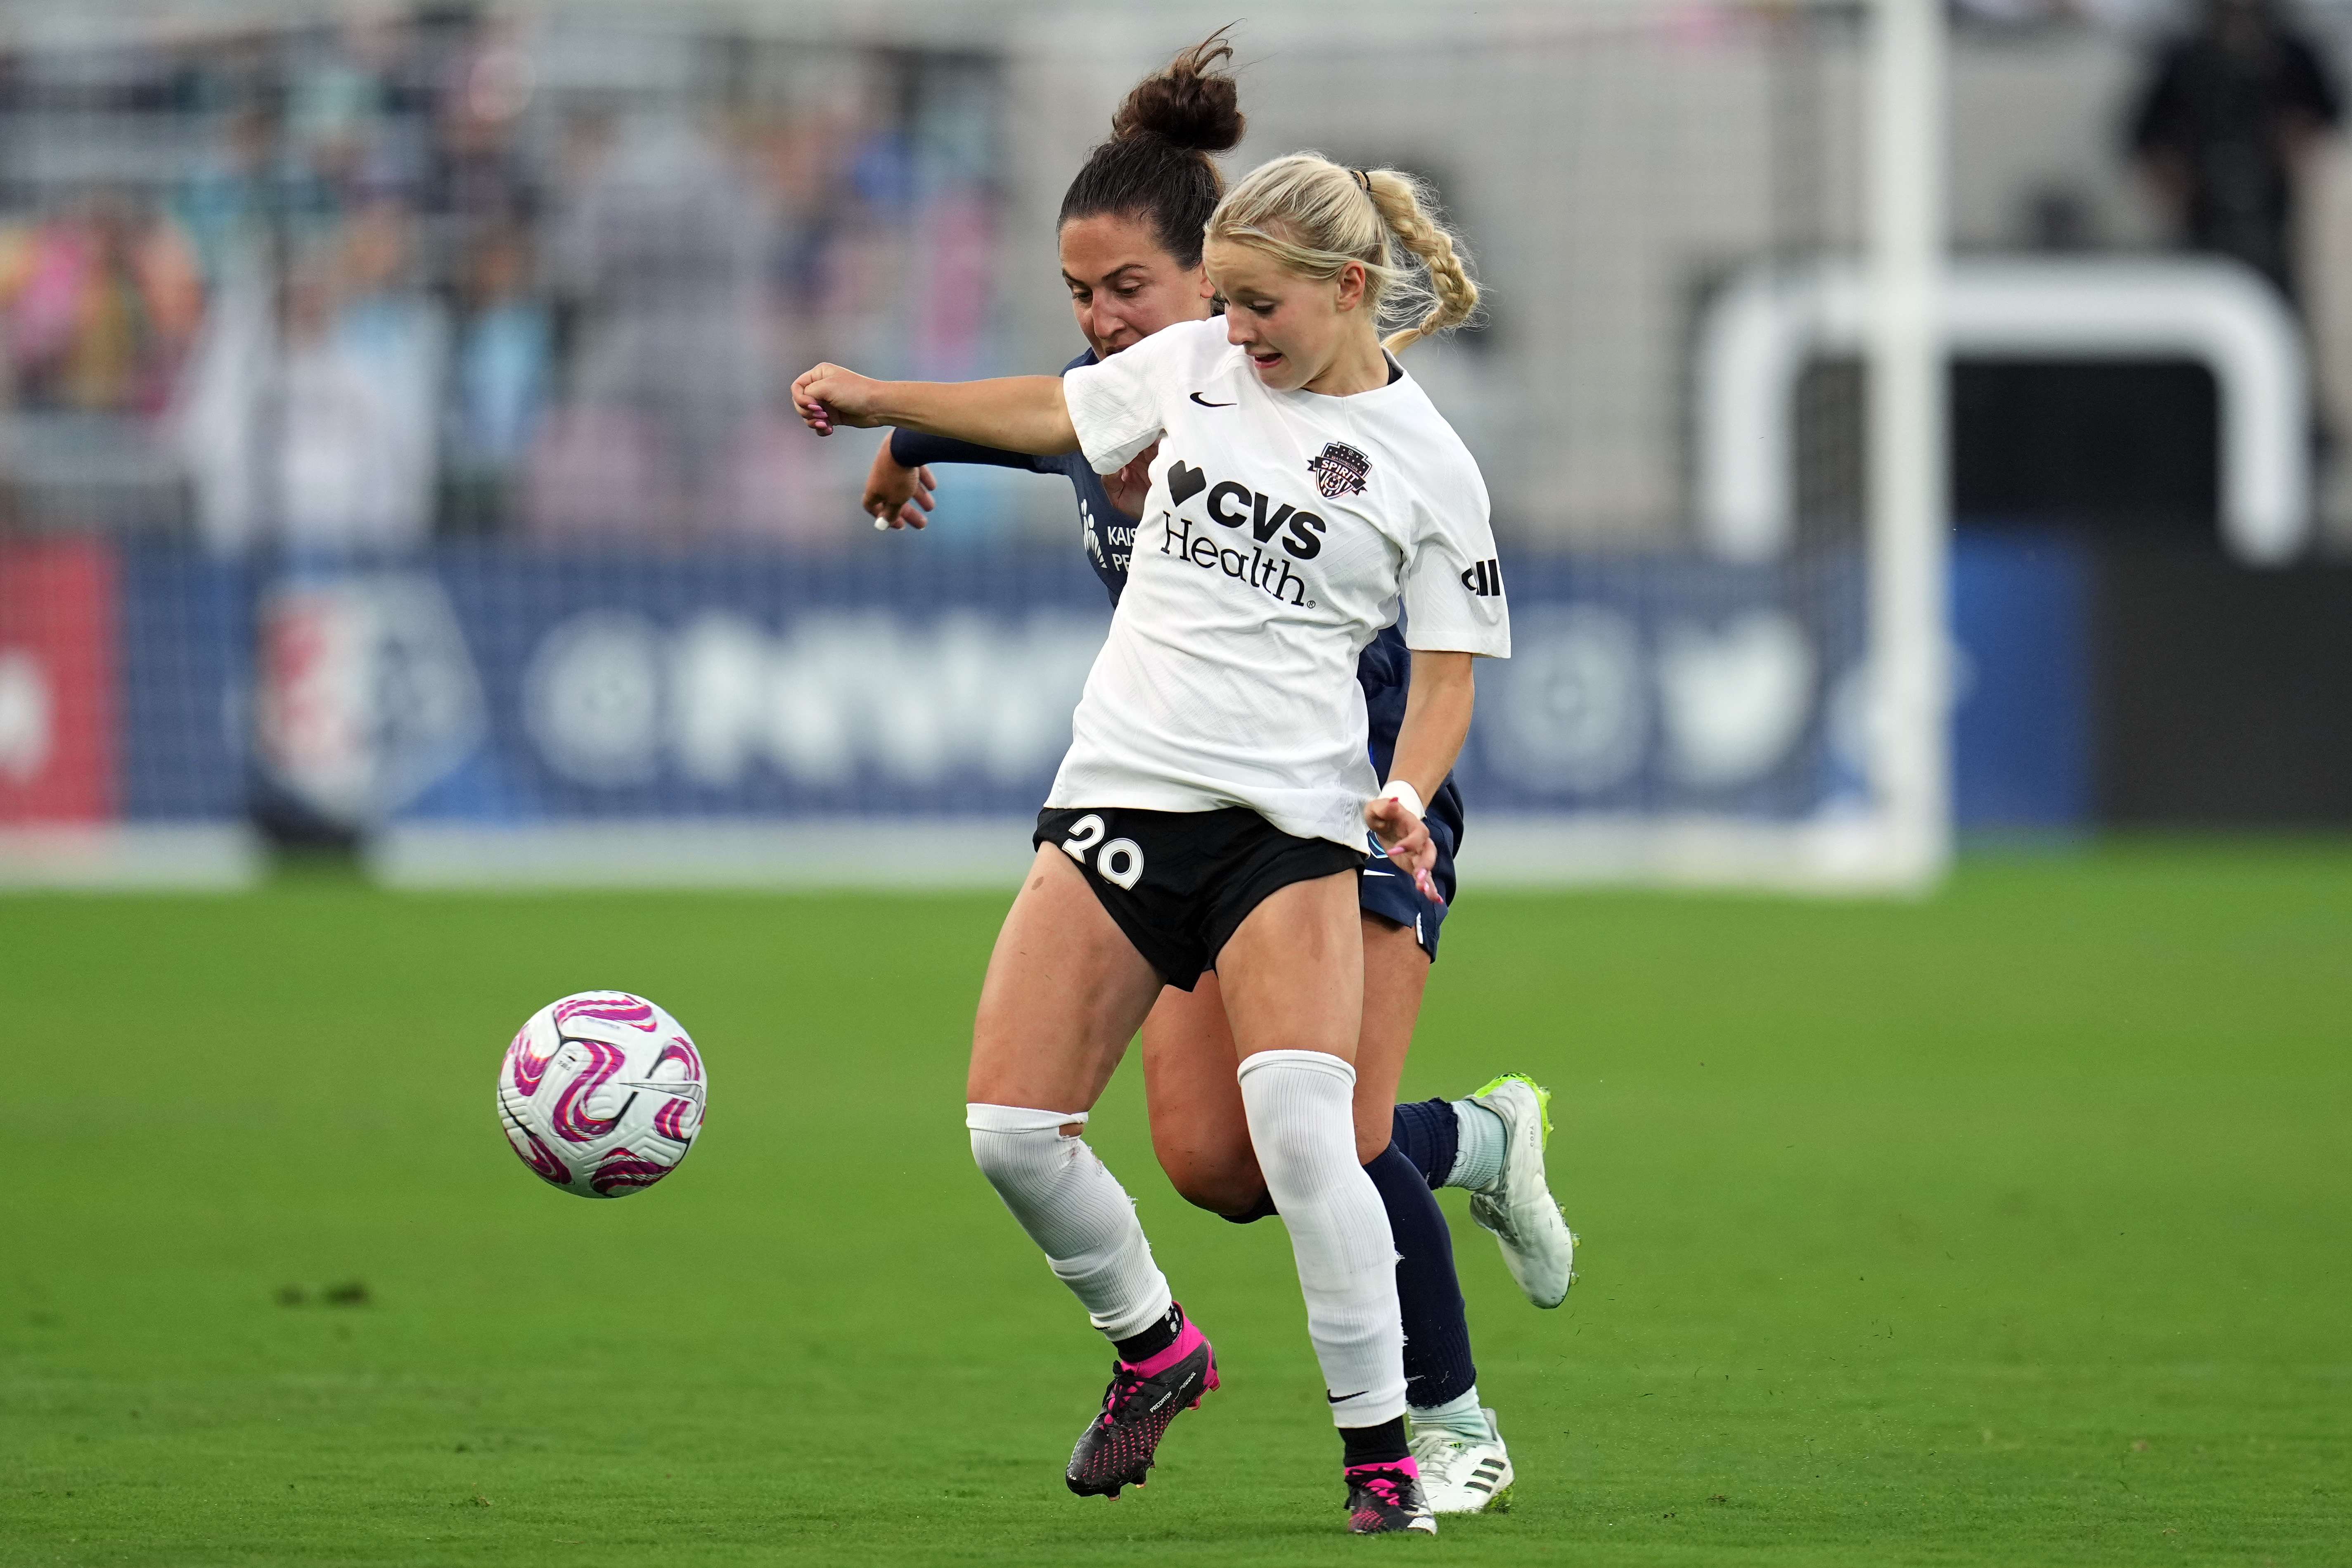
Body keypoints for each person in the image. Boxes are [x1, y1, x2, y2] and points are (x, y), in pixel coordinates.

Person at [861, 36, 1575, 1515]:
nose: (1100, 319)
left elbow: (1445, 663)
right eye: (1078, 294)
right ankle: (1482, 1138)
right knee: (1209, 1162)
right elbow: (1039, 415)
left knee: (1336, 1135)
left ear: (1217, 278)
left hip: (1349, 788)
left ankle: (1442, 1429)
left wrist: (1399, 794)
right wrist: (900, 435)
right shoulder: (1156, 385)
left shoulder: (1353, 425)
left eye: (1129, 288)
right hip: (1172, 793)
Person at [2130, 0, 2343, 305]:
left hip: (2276, 209)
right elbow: (2147, 135)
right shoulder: (2184, 58)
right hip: (2204, 209)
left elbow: (2324, 119)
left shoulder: (2294, 56)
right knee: (2203, 296)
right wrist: (2171, 172)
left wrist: (2300, 145)